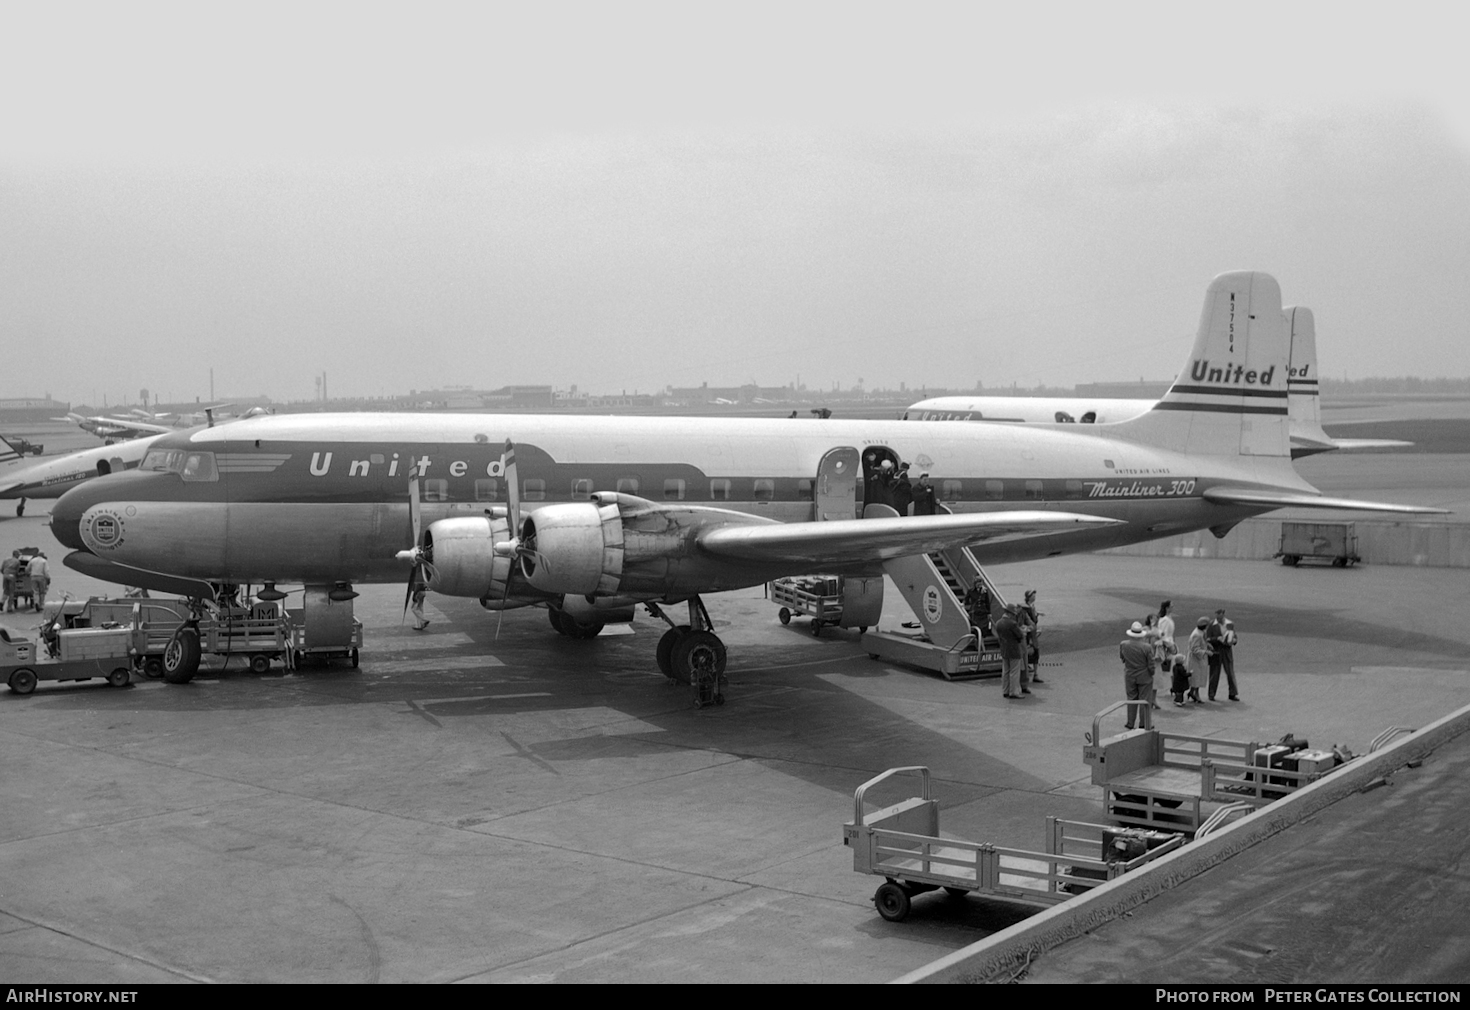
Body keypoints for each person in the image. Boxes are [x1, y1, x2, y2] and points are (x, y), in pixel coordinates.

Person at [1120, 621, 1154, 728]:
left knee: (1131, 698)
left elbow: (1122, 658)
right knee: (1144, 700)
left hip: (1130, 674)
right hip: (1144, 675)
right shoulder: (1147, 647)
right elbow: (1151, 663)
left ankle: (1130, 722)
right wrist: (1151, 673)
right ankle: (1143, 723)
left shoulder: (1124, 644)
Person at [994, 602, 1027, 698]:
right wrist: (1023, 632)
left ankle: (1005, 690)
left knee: (1005, 671)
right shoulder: (1012, 624)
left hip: (1004, 649)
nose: (1013, 616)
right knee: (1014, 672)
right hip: (1014, 650)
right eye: (1013, 614)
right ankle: (1014, 692)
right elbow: (1020, 636)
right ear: (1010, 613)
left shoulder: (998, 623)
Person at [1207, 608, 1239, 700]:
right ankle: (1211, 694)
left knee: (1230, 672)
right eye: (1217, 617)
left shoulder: (1229, 624)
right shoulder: (1212, 624)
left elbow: (1235, 636)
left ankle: (1232, 693)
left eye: (1220, 617)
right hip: (1216, 650)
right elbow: (1207, 638)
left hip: (1227, 650)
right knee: (1214, 673)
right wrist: (1217, 638)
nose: (1218, 619)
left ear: (1223, 615)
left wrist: (1234, 641)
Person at [1186, 617, 1211, 703]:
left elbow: (1203, 642)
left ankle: (1193, 692)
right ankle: (1195, 694)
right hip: (1195, 660)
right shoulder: (1196, 635)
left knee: (1199, 677)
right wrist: (1206, 652)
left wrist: (1207, 644)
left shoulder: (1201, 632)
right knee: (1196, 677)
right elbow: (1195, 649)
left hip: (1200, 659)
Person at [1022, 589, 1043, 683]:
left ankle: (1035, 674)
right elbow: (1027, 621)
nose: (1034, 597)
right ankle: (1026, 674)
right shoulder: (1025, 608)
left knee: (1036, 653)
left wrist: (1037, 615)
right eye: (1033, 596)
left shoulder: (1032, 607)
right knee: (1028, 653)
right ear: (1029, 597)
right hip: (1029, 634)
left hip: (1033, 633)